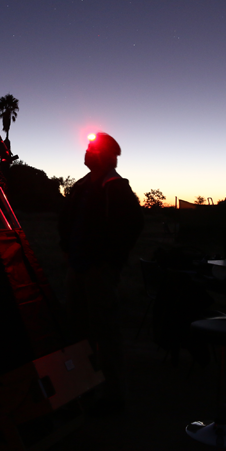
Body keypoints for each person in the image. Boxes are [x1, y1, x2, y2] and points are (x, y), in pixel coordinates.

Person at [58, 132, 144, 415]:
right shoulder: (83, 187)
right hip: (77, 269)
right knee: (76, 330)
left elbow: (129, 229)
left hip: (99, 272)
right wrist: (67, 249)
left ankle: (113, 396)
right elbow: (67, 219)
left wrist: (108, 263)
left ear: (106, 157)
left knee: (105, 332)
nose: (86, 152)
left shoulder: (116, 190)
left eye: (92, 149)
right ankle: (80, 387)